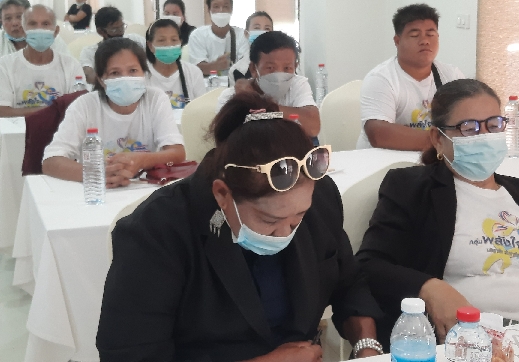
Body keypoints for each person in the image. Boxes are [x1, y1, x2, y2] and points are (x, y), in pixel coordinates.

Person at [96, 92, 384, 361]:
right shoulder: (157, 232)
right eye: (269, 221)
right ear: (223, 194)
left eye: (298, 217)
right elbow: (131, 355)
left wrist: (367, 347)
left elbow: (349, 285)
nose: (286, 233)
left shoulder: (320, 198)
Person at [356, 79, 519, 349]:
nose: (484, 136)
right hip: (470, 343)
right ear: (438, 139)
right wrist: (430, 288)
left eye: (494, 125)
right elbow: (370, 265)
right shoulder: (412, 187)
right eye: (469, 128)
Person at [42, 37, 185, 188]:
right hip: (98, 190)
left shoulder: (155, 99)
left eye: (133, 71)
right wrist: (97, 174)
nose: (125, 78)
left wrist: (141, 160)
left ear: (144, 73)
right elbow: (51, 161)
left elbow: (177, 152)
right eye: (115, 73)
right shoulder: (85, 105)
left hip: (145, 189)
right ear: (101, 79)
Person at [356, 3, 464, 151]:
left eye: (430, 34)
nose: (425, 41)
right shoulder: (380, 79)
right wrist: (444, 142)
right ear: (397, 41)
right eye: (414, 35)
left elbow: (468, 121)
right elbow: (379, 134)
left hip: (434, 158)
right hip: (385, 160)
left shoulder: (452, 75)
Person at [216, 31, 320, 138]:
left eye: (287, 68)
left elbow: (313, 126)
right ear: (253, 69)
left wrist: (257, 101)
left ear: (295, 66)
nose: (279, 75)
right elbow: (225, 138)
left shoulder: (297, 84)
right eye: (270, 68)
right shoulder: (231, 95)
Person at [0, 4, 84, 117]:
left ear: (56, 31)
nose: (39, 29)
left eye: (45, 24)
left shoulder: (72, 65)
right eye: (33, 24)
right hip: (18, 129)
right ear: (23, 31)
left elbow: (79, 108)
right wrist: (54, 109)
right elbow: (2, 111)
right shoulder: (4, 66)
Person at [145, 18, 206, 109]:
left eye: (174, 40)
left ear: (180, 43)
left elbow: (201, 109)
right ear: (150, 46)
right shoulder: (143, 75)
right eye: (161, 40)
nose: (168, 44)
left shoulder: (193, 73)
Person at [187, 0, 249, 77]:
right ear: (209, 10)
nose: (221, 10)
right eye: (216, 7)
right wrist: (216, 66)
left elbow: (245, 67)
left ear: (231, 10)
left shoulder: (241, 35)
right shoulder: (198, 35)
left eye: (225, 7)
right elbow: (197, 69)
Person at [80, 6, 146, 84]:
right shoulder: (89, 52)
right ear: (100, 31)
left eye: (122, 27)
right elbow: (89, 76)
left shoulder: (135, 40)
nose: (120, 32)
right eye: (114, 29)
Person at [0, 0, 70, 57]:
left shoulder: (49, 37)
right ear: (1, 21)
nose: (14, 23)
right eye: (8, 18)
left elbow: (68, 64)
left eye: (19, 17)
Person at [229, 11, 274, 85]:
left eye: (267, 29)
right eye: (257, 28)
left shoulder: (284, 63)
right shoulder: (236, 70)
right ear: (246, 34)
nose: (262, 32)